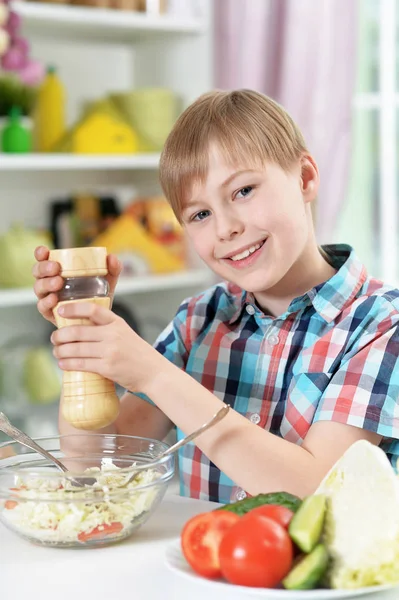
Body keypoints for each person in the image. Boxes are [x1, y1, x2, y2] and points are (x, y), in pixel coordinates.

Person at [32, 90, 399, 504]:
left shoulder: (381, 323)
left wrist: (155, 374)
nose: (225, 228)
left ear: (305, 178)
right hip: (199, 568)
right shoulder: (198, 320)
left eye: (243, 191)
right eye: (200, 215)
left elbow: (320, 492)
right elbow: (98, 468)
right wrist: (83, 331)